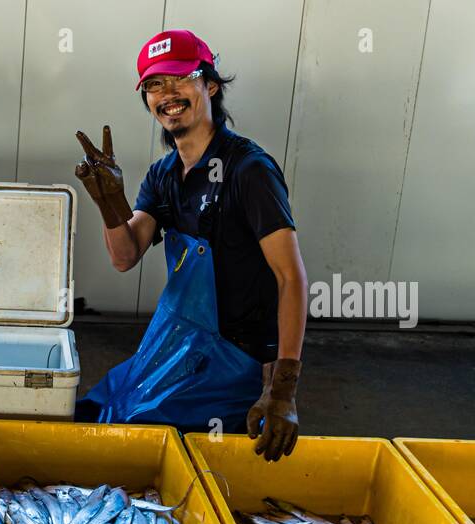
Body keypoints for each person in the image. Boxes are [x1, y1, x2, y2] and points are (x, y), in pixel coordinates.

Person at [72, 30, 308, 460]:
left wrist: (282, 390)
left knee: (131, 441)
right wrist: (107, 200)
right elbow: (126, 256)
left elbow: (290, 277)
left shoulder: (249, 170)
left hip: (234, 362)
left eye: (181, 77)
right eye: (154, 84)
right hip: (175, 343)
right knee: (92, 412)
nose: (168, 94)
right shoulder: (164, 174)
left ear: (210, 85)